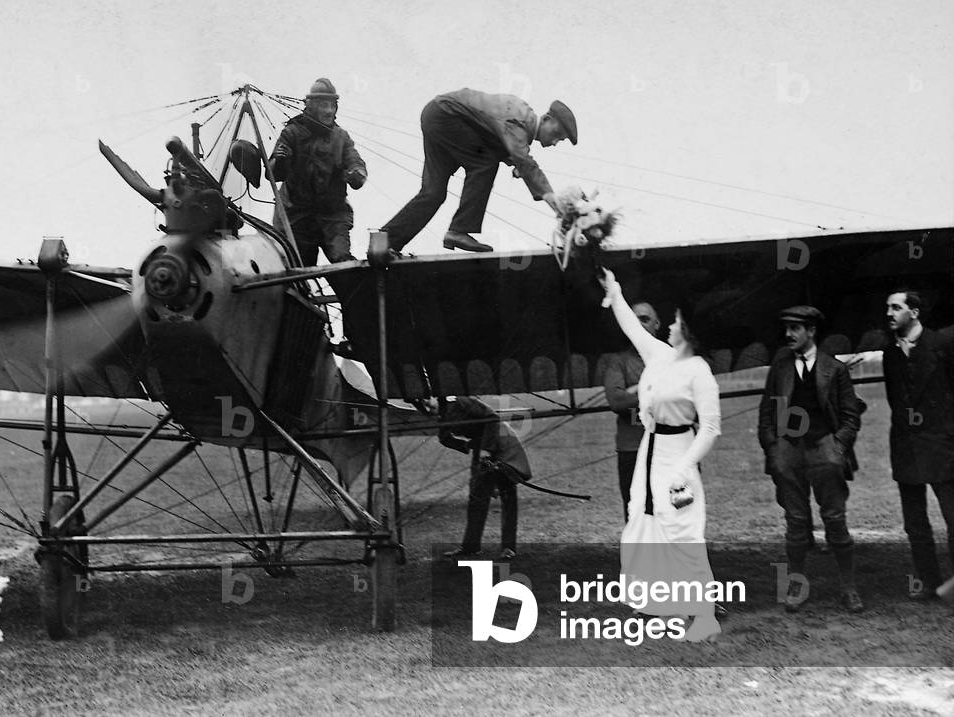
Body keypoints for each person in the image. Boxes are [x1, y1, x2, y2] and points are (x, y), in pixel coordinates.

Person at [599, 269, 722, 642]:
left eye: (676, 322)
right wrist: (614, 290)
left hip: (678, 452)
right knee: (646, 521)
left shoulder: (699, 371)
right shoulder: (660, 355)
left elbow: (711, 428)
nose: (669, 325)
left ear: (689, 332)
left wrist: (684, 468)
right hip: (649, 453)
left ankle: (704, 615)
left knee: (683, 529)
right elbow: (630, 328)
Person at [380, 88, 577, 253]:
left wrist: (515, 164)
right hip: (446, 115)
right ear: (547, 119)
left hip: (437, 115)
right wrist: (549, 195)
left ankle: (384, 243)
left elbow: (495, 138)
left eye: (560, 140)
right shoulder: (521, 119)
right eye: (557, 134)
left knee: (433, 193)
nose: (555, 142)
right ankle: (459, 230)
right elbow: (523, 159)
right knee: (485, 164)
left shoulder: (519, 124)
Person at [758, 306, 863, 613]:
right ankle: (796, 585)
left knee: (835, 518)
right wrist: (774, 449)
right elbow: (767, 413)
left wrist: (837, 448)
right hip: (789, 451)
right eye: (787, 328)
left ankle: (849, 587)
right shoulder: (781, 367)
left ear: (812, 331)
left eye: (796, 328)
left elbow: (850, 417)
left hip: (823, 449)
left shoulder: (834, 369)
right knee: (796, 522)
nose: (789, 334)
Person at [881, 289, 954, 600]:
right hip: (907, 446)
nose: (889, 313)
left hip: (943, 445)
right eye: (887, 308)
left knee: (953, 516)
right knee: (915, 523)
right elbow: (895, 401)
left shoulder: (943, 346)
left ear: (914, 312)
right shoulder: (890, 354)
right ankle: (928, 582)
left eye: (896, 308)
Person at [269, 77, 367, 266]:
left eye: (332, 105)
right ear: (311, 106)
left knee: (344, 264)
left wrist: (356, 174)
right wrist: (280, 160)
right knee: (299, 273)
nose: (329, 111)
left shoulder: (341, 137)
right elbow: (274, 175)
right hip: (296, 217)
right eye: (323, 105)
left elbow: (356, 164)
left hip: (332, 216)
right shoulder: (291, 133)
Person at [435, 396, 531, 561]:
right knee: (477, 498)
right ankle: (471, 546)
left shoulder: (463, 402)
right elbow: (444, 438)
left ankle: (508, 547)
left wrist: (486, 450)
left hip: (501, 442)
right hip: (482, 447)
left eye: (426, 401)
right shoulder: (441, 412)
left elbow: (492, 418)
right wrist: (466, 446)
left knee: (507, 494)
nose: (425, 406)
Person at [603, 301, 662, 521]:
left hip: (671, 448)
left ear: (657, 324)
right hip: (632, 449)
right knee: (637, 514)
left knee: (677, 512)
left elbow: (690, 402)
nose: (639, 324)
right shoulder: (617, 362)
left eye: (645, 319)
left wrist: (634, 392)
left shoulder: (673, 357)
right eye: (634, 319)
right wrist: (658, 391)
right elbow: (617, 401)